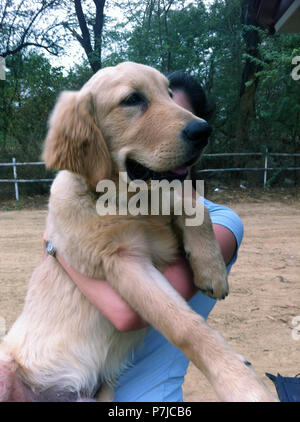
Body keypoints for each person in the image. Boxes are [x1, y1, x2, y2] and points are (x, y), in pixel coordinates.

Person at [50, 71, 244, 402]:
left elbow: (128, 314)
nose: (171, 122)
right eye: (145, 105)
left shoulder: (224, 222)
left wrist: (55, 244)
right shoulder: (112, 207)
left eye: (180, 114)